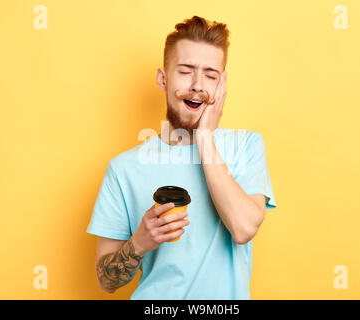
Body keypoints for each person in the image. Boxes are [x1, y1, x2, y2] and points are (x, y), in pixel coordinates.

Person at [86, 15, 276, 300]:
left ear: (221, 84)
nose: (198, 85)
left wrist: (203, 138)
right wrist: (140, 242)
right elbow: (106, 280)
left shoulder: (246, 146)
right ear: (163, 78)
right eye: (186, 71)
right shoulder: (122, 169)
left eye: (211, 75)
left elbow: (243, 228)